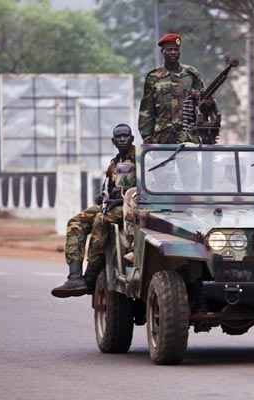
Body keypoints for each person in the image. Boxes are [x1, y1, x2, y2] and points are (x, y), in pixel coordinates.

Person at [51, 124, 135, 298]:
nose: (122, 139)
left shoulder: (142, 159)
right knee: (76, 221)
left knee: (100, 220)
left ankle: (90, 276)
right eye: (118, 137)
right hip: (111, 204)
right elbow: (110, 188)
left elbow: (148, 187)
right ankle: (75, 277)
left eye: (125, 136)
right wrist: (103, 196)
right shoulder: (114, 163)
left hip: (131, 206)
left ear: (132, 138)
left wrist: (119, 199)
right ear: (113, 141)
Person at [138, 33, 214, 144]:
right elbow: (146, 110)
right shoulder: (153, 77)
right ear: (162, 52)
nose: (173, 52)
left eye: (176, 49)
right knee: (163, 162)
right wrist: (147, 138)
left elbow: (202, 103)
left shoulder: (192, 74)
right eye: (169, 49)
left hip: (188, 137)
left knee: (189, 161)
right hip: (162, 138)